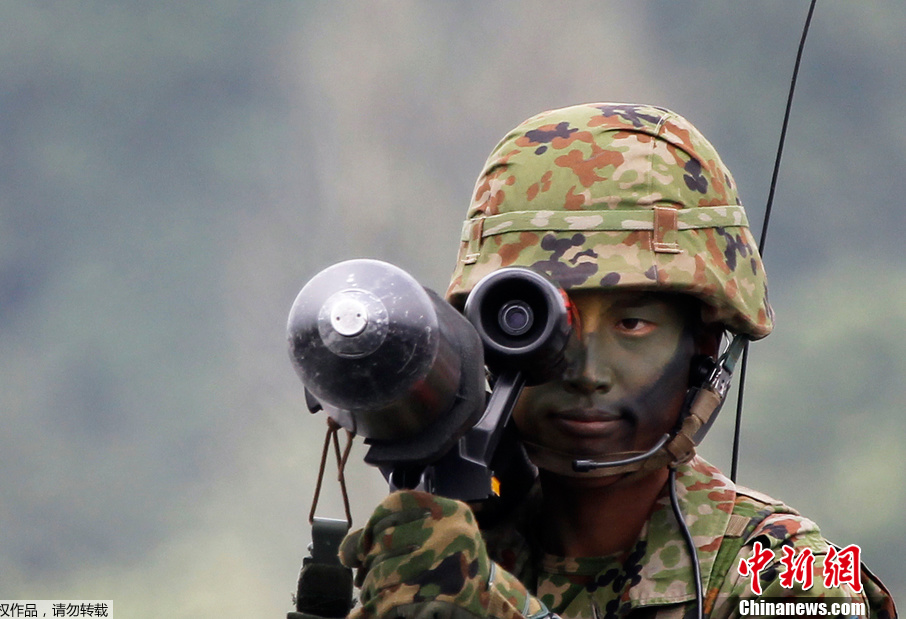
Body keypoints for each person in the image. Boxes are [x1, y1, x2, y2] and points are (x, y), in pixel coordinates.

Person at [337, 103, 897, 619]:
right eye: (540, 326)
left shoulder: (786, 576)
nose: (587, 373)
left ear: (703, 347)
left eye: (632, 324)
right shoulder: (453, 551)